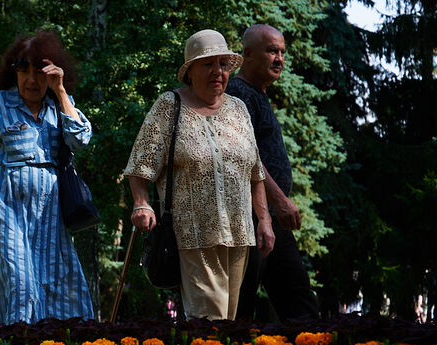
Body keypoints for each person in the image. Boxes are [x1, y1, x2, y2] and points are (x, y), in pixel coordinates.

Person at [123, 29, 274, 320]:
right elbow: (141, 164)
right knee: (208, 321)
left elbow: (255, 172)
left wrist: (265, 221)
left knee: (228, 320)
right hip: (192, 234)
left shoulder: (239, 109)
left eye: (223, 64)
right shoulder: (169, 106)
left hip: (240, 235)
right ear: (189, 71)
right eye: (208, 64)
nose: (218, 71)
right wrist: (141, 203)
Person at [0, 30, 95, 324]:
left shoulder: (59, 104)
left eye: (39, 72)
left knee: (59, 284)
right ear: (14, 72)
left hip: (51, 216)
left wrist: (60, 91)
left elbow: (80, 139)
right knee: (20, 286)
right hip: (7, 211)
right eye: (24, 70)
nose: (31, 80)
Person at [225, 24, 318, 322]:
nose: (279, 58)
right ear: (248, 54)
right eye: (271, 51)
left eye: (282, 52)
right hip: (249, 217)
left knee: (300, 305)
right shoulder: (238, 93)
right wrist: (279, 200)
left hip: (271, 218)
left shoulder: (257, 94)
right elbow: (245, 154)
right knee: (240, 306)